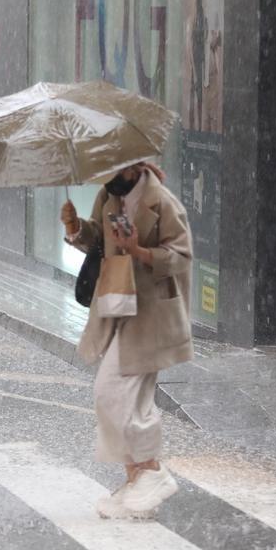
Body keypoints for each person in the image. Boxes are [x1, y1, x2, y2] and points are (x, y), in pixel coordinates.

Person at [61, 162, 194, 519]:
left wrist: (138, 250)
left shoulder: (164, 204)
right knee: (120, 397)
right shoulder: (109, 197)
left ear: (134, 167)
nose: (105, 178)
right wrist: (75, 228)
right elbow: (99, 243)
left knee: (114, 392)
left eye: (113, 170)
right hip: (117, 305)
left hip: (151, 314)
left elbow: (181, 258)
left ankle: (151, 472)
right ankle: (137, 484)